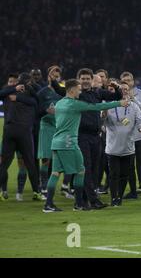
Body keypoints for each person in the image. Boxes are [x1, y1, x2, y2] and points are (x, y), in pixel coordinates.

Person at [42, 79, 127, 212]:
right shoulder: (74, 104)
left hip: (56, 142)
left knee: (55, 173)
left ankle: (48, 205)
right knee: (81, 170)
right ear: (71, 90)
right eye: (78, 89)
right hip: (69, 142)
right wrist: (119, 103)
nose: (80, 91)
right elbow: (95, 107)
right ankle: (79, 204)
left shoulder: (59, 103)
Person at [0, 73, 43, 202]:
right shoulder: (16, 93)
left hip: (11, 130)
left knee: (5, 163)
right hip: (23, 132)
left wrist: (18, 93)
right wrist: (18, 89)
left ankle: (3, 192)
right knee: (30, 163)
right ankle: (36, 191)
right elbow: (37, 101)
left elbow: (36, 100)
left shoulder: (12, 94)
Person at [104, 81, 141, 206]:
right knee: (113, 174)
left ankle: (119, 197)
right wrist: (103, 113)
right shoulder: (110, 105)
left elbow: (140, 121)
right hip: (112, 147)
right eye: (121, 89)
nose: (124, 91)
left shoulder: (134, 106)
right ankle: (113, 198)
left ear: (129, 91)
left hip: (128, 147)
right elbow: (102, 120)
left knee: (124, 175)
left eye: (126, 89)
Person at [36, 66, 63, 197]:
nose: (55, 78)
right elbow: (36, 111)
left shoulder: (62, 92)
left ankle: (53, 186)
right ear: (48, 77)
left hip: (59, 128)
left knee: (58, 159)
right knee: (46, 159)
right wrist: (45, 111)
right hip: (46, 127)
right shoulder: (42, 93)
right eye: (53, 76)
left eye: (57, 76)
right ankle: (43, 187)